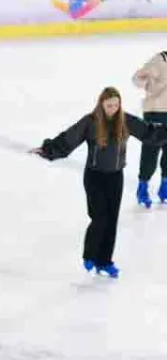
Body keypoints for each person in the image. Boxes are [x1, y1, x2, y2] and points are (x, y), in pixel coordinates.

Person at [31, 87, 167, 278]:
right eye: (109, 105)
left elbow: (149, 133)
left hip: (115, 177)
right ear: (101, 104)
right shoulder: (91, 121)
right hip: (94, 177)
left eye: (116, 105)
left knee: (111, 220)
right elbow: (69, 139)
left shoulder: (125, 120)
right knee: (100, 217)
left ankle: (104, 261)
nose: (113, 109)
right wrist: (48, 150)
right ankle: (90, 256)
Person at [130, 49, 167, 206]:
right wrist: (152, 86)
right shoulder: (160, 60)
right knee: (151, 151)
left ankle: (164, 186)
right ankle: (142, 187)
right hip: (155, 113)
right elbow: (136, 78)